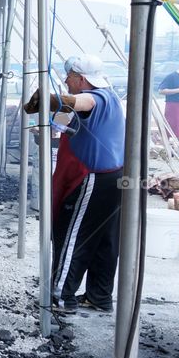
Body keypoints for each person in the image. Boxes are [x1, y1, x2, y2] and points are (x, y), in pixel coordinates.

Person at [24, 54, 125, 315]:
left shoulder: (98, 98)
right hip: (113, 178)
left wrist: (57, 100)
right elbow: (78, 117)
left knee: (72, 235)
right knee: (104, 240)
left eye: (69, 76)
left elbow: (84, 102)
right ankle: (99, 297)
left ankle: (60, 296)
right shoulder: (111, 98)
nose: (66, 80)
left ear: (81, 79)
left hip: (94, 179)